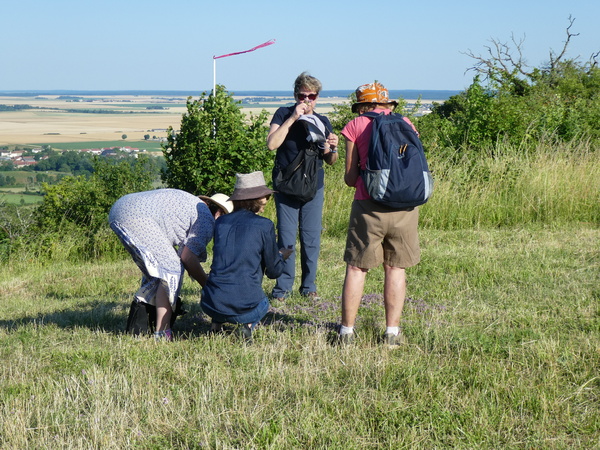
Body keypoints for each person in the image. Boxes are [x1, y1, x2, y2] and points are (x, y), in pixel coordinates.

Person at [338, 82, 422, 346]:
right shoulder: (406, 122)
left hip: (368, 205)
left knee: (357, 267)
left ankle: (347, 333)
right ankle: (392, 333)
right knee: (395, 268)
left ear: (363, 104)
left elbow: (351, 178)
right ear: (387, 103)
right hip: (405, 206)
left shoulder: (355, 125)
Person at [109, 189, 233, 341]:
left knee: (159, 273)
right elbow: (187, 258)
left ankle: (139, 327)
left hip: (122, 208)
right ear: (219, 214)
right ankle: (163, 333)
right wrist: (208, 285)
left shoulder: (194, 205)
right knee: (171, 269)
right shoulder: (207, 219)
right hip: (137, 216)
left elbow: (185, 256)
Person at [267, 71, 339, 300]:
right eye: (302, 96)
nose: (307, 100)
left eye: (312, 96)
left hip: (312, 187)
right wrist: (292, 119)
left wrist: (333, 148)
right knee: (286, 239)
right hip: (286, 186)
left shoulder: (322, 121)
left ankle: (309, 287)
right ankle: (282, 289)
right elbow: (272, 144)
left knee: (311, 239)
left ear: (318, 97)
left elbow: (330, 161)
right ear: (295, 95)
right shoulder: (283, 114)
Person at [200, 171, 293, 343]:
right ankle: (247, 326)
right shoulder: (264, 225)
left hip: (210, 303)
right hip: (245, 306)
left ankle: (216, 325)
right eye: (265, 197)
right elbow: (273, 272)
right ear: (255, 198)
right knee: (264, 303)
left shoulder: (221, 223)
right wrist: (281, 256)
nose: (267, 201)